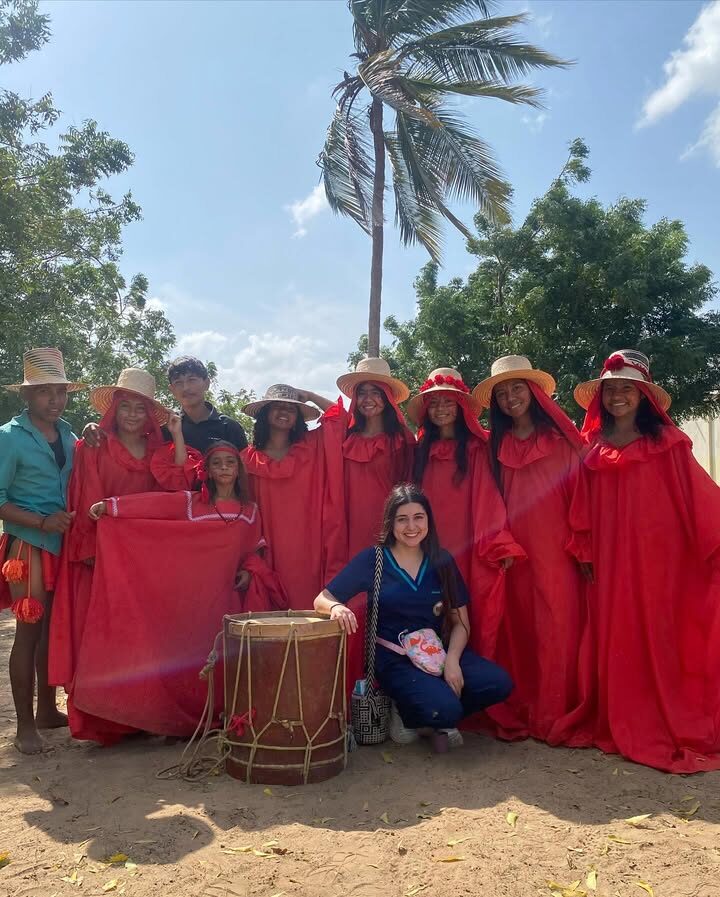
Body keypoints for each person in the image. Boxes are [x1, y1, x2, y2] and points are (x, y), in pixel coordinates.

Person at [67, 441, 285, 742]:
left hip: (227, 597)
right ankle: (181, 719)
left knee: (220, 655)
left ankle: (216, 715)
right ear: (206, 470)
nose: (224, 468)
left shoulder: (250, 511)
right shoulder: (192, 502)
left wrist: (249, 571)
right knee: (188, 654)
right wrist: (111, 506)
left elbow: (254, 549)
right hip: (190, 596)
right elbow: (153, 504)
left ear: (239, 470)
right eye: (217, 463)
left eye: (230, 463)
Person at [565, 349, 720, 773]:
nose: (618, 396)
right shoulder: (591, 447)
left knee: (657, 632)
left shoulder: (668, 444)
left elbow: (698, 497)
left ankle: (659, 715)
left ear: (643, 396)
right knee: (616, 632)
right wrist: (586, 552)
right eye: (611, 389)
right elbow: (581, 508)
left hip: (660, 558)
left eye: (626, 389)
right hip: (611, 558)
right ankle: (620, 716)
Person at [314, 484, 513, 751]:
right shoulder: (374, 560)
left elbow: (461, 623)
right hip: (394, 660)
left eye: (418, 517)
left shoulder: (441, 561)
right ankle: (408, 711)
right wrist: (337, 608)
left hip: (437, 653)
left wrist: (452, 660)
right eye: (402, 519)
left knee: (499, 683)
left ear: (428, 520)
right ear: (391, 523)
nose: (411, 526)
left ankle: (431, 713)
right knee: (447, 710)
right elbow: (322, 599)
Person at [48, 368, 172, 744]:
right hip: (101, 556)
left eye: (140, 407)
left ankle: (138, 716)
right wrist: (91, 550)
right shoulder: (94, 446)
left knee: (141, 637)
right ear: (114, 410)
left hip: (140, 559)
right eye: (126, 406)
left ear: (150, 414)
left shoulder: (158, 452)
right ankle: (104, 722)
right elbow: (87, 497)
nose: (133, 414)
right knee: (101, 636)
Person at [473, 355, 586, 742]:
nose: (510, 398)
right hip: (516, 552)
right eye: (501, 393)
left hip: (558, 549)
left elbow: (581, 496)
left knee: (558, 625)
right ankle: (527, 704)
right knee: (521, 628)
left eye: (516, 388)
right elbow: (491, 500)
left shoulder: (561, 440)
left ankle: (556, 709)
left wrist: (581, 546)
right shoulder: (494, 446)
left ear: (533, 392)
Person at [0, 348, 85, 753]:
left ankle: (49, 711)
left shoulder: (69, 435)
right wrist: (41, 522)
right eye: (45, 392)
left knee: (53, 630)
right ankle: (23, 729)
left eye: (61, 391)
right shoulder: (7, 438)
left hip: (60, 542)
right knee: (29, 633)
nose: (55, 400)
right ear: (28, 397)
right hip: (28, 545)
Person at [408, 367, 524, 658]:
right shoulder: (420, 449)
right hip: (428, 543)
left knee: (468, 607)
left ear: (460, 407)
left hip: (468, 542)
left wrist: (498, 541)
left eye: (448, 402)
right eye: (433, 403)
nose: (441, 409)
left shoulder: (477, 447)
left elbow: (488, 496)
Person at [335, 357, 415, 694]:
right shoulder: (345, 438)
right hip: (351, 532)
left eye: (375, 392)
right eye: (362, 392)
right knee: (354, 606)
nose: (368, 398)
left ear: (387, 398)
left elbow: (410, 489)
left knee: (390, 608)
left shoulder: (402, 441)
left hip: (388, 534)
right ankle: (355, 691)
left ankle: (394, 694)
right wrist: (306, 394)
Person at [241, 384, 346, 609]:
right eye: (277, 407)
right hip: (269, 547)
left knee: (309, 609)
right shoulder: (247, 459)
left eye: (291, 408)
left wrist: (309, 395)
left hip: (310, 547)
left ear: (298, 416)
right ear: (264, 414)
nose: (284, 412)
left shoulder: (312, 445)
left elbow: (340, 418)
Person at [82, 355, 248, 454]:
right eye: (178, 382)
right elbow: (128, 436)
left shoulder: (230, 428)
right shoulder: (166, 427)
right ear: (171, 390)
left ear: (207, 383)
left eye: (192, 380)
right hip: (175, 510)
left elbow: (244, 475)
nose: (186, 388)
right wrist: (93, 427)